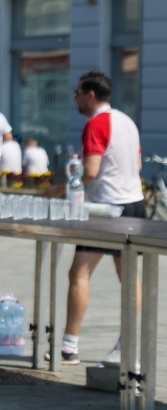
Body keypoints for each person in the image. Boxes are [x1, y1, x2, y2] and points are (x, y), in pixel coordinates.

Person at [45, 70, 145, 366]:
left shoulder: (95, 124)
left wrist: (59, 190)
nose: (74, 98)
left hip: (107, 210)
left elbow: (89, 172)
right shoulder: (127, 121)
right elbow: (137, 164)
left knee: (79, 274)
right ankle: (125, 343)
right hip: (134, 204)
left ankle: (68, 347)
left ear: (90, 94)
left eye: (76, 92)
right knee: (128, 278)